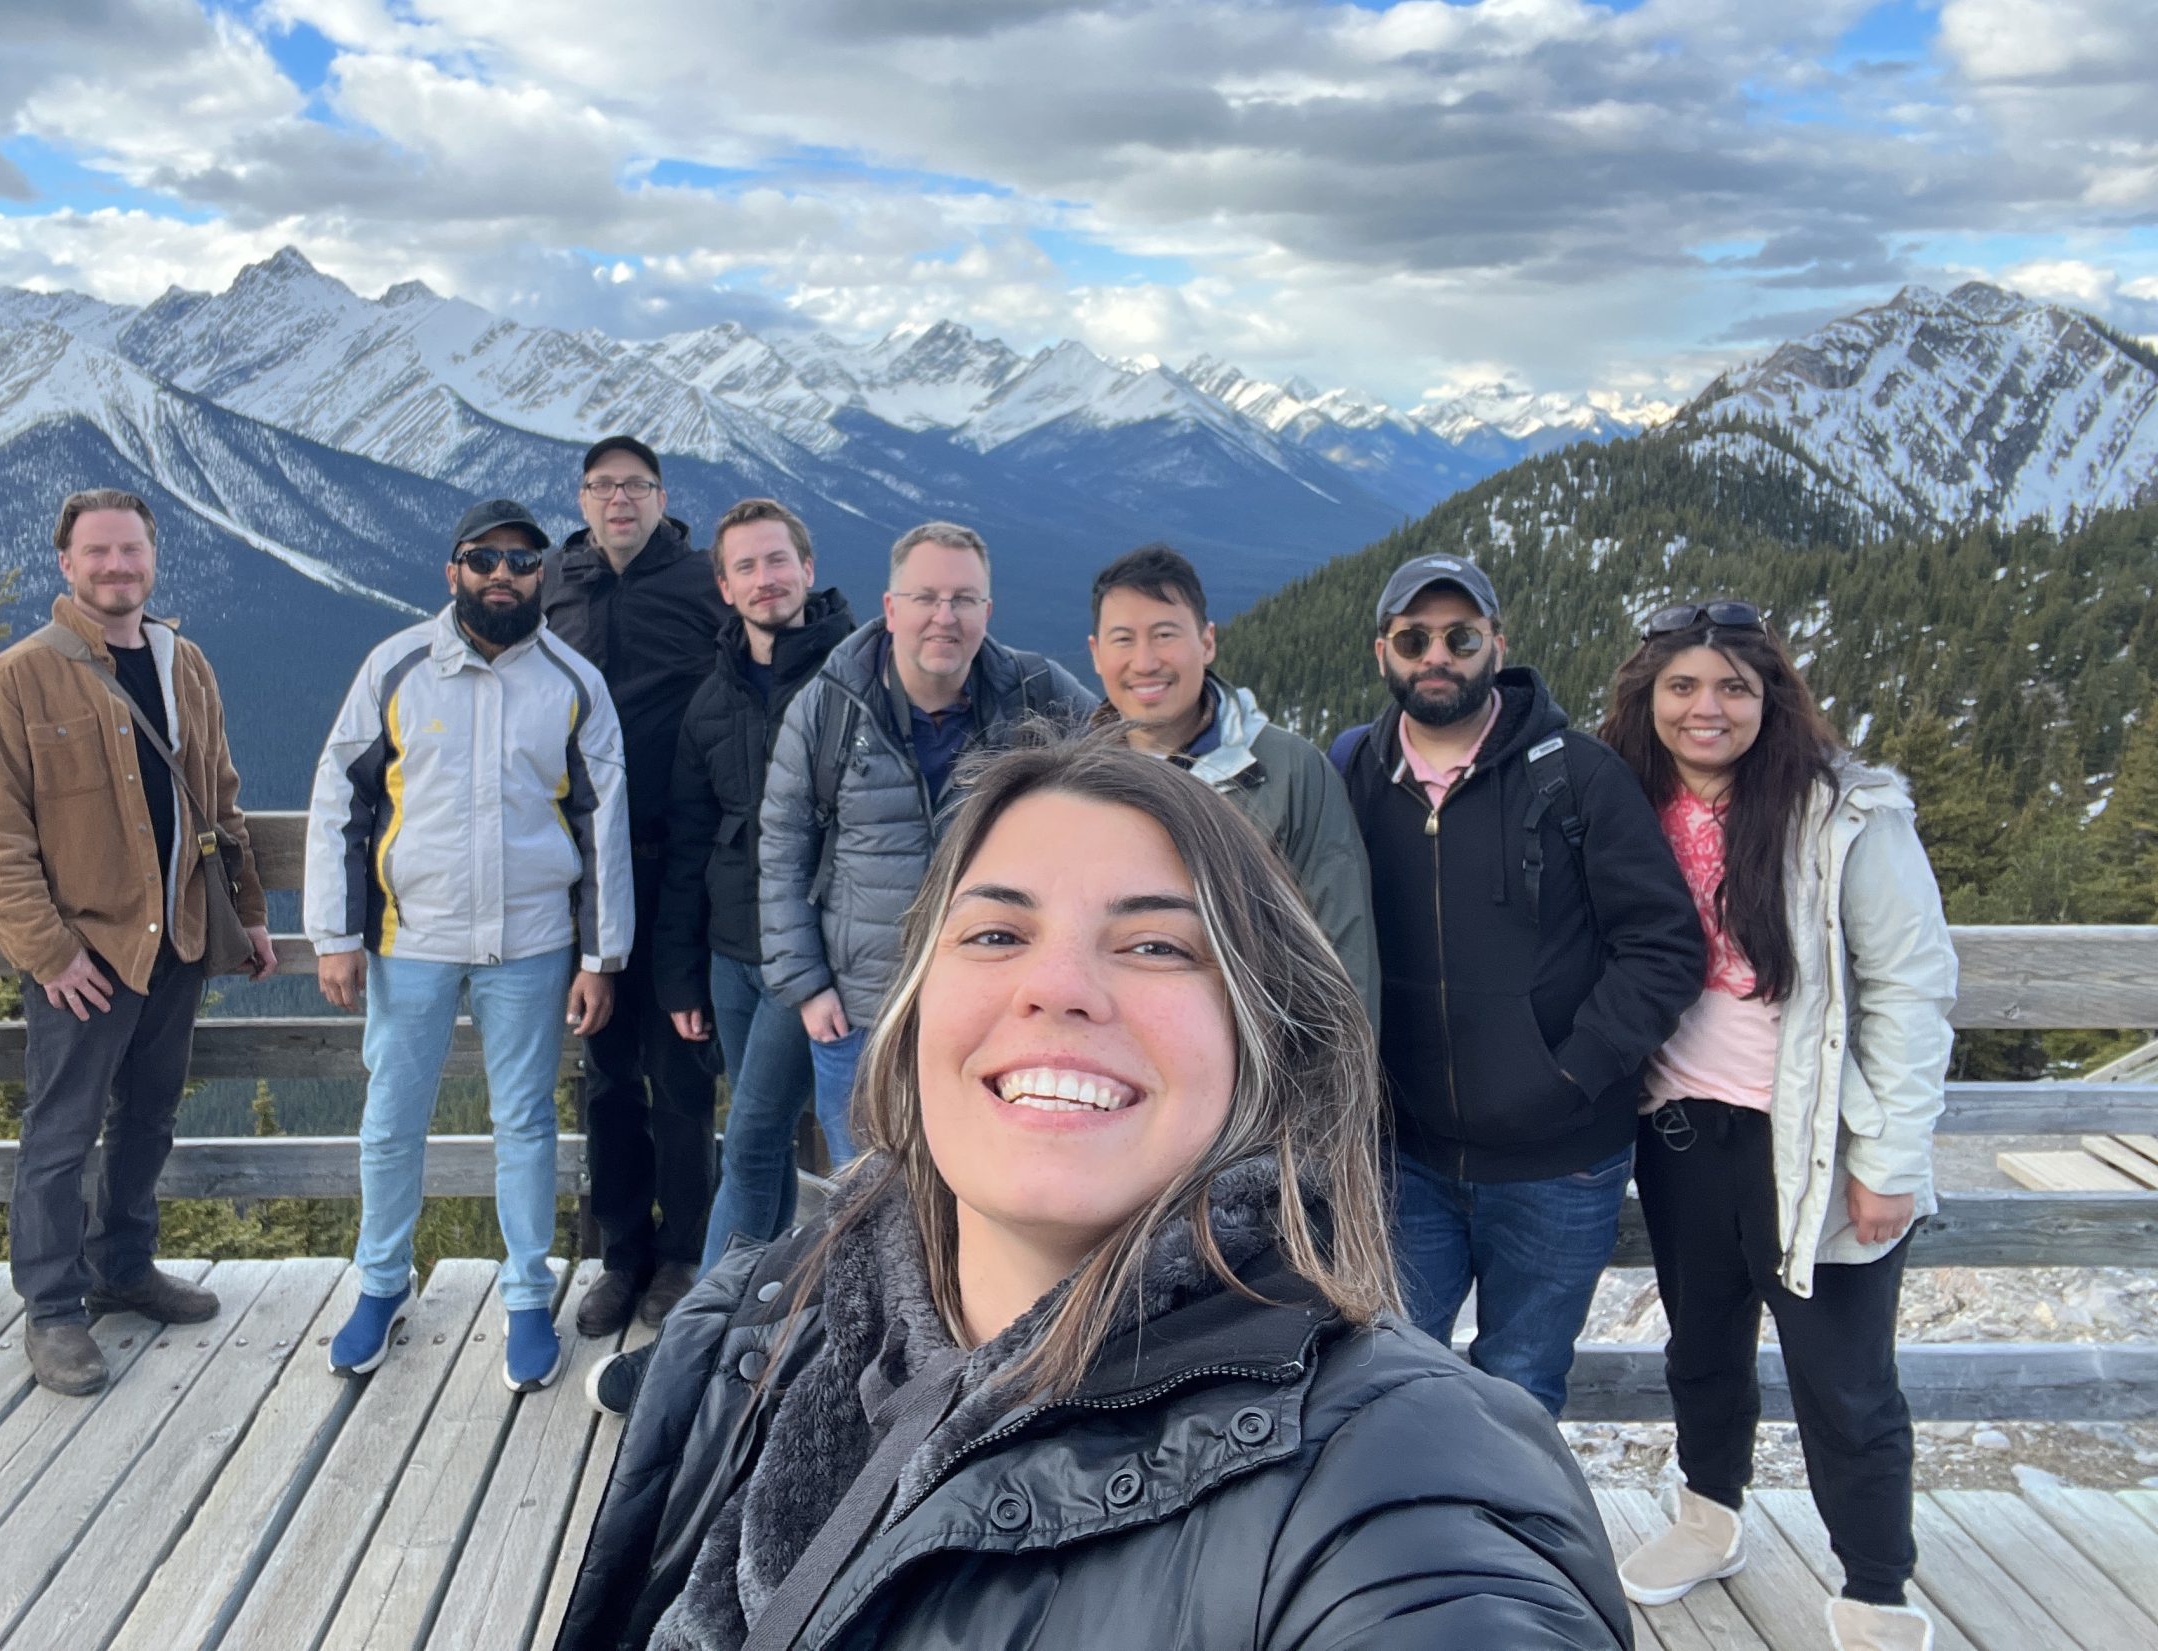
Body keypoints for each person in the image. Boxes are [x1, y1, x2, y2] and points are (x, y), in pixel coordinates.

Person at [555, 731, 1632, 1651]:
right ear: (920, 1001)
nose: (1058, 986)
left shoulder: (1389, 1470)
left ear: (1269, 1040)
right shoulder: (758, 1324)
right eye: (993, 933)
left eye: (1156, 945)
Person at [1596, 603, 1954, 1651]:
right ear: (1647, 697)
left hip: (1814, 1145)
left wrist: (1889, 1160)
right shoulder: (1626, 801)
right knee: (1701, 1349)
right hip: (1678, 1131)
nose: (1705, 708)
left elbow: (1908, 986)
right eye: (1681, 687)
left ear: (1771, 697)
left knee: (1842, 1379)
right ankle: (1709, 1518)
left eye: (1732, 688)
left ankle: (1876, 1586)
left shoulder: (1845, 814)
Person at [1332, 552, 1704, 1416]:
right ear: (1381, 650)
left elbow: (1664, 945)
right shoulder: (1352, 774)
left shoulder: (1576, 775)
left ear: (1497, 644)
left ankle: (1505, 1550)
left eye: (1459, 636)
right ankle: (1404, 1550)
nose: (1437, 656)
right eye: (1414, 637)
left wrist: (1573, 1073)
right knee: (1384, 1386)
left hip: (1558, 1161)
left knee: (1521, 1390)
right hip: (1406, 1157)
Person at [0, 487, 275, 1397]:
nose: (116, 567)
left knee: (150, 1114)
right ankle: (54, 1311)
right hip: (85, 953)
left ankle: (123, 1266)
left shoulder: (186, 665)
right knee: (59, 1133)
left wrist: (245, 913)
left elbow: (220, 797)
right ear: (66, 562)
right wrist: (49, 951)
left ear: (152, 557)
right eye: (97, 552)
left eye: (131, 550)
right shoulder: (13, 681)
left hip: (178, 936)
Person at [305, 499, 631, 1390]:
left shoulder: (572, 682)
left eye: (522, 562)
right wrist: (336, 935)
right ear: (452, 571)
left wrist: (601, 957)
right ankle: (381, 1284)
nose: (503, 575)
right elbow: (341, 798)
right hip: (410, 937)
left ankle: (526, 1295)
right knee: (391, 1116)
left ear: (542, 576)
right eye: (483, 559)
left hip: (529, 941)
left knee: (525, 1122)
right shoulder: (396, 666)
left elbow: (605, 827)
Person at [757, 521, 1095, 1154]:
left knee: (983, 1183)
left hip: (993, 1013)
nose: (945, 617)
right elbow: (781, 848)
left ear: (987, 612)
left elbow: (1131, 755)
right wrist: (806, 984)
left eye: (964, 600)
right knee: (863, 1195)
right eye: (925, 598)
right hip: (861, 1012)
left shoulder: (1035, 695)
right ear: (890, 608)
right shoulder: (827, 706)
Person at [545, 434, 729, 1335]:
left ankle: (687, 1252)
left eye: (637, 485)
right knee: (608, 1072)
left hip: (674, 860)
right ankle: (622, 1252)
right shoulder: (551, 586)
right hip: (583, 872)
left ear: (662, 497)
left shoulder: (704, 582)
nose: (620, 499)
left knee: (683, 1069)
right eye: (603, 485)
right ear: (582, 499)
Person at [654, 499, 856, 1268]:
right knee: (762, 1141)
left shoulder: (856, 677)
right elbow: (687, 845)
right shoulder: (713, 700)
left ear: (807, 569)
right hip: (730, 952)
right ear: (725, 587)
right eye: (746, 567)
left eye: (778, 561)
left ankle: (705, 1327)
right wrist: (682, 975)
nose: (765, 580)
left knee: (750, 1140)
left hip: (810, 952)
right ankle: (764, 1300)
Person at [1085, 542, 1379, 1018]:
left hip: (1260, 1072)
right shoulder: (1075, 786)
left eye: (1165, 634)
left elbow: (1343, 956)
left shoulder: (1290, 773)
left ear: (1207, 642)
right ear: (1096, 654)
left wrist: (1332, 1088)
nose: (1144, 662)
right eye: (1123, 639)